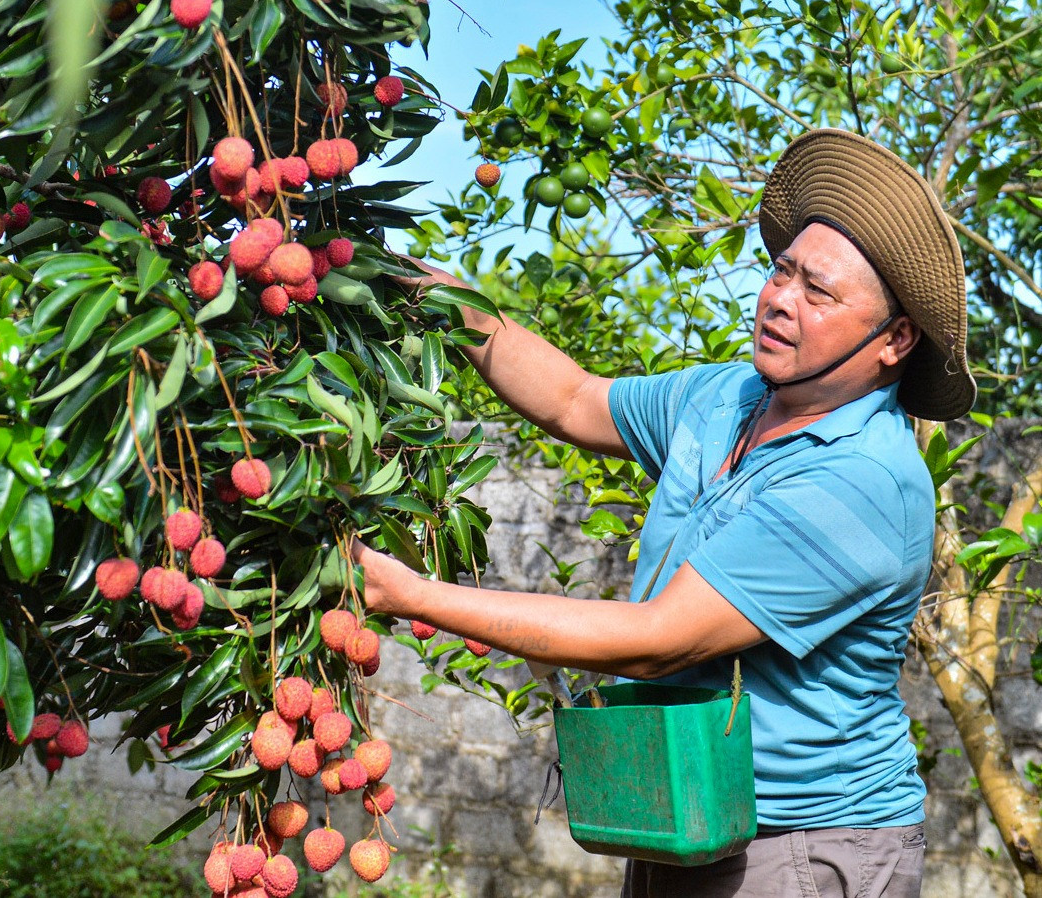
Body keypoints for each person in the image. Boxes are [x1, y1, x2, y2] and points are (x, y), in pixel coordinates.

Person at [350, 127, 974, 898]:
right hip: (683, 817)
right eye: (780, 271)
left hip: (801, 849)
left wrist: (409, 594)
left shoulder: (863, 481)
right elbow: (575, 398)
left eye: (818, 291)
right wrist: (445, 301)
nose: (779, 300)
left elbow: (655, 643)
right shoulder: (728, 396)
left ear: (894, 340)